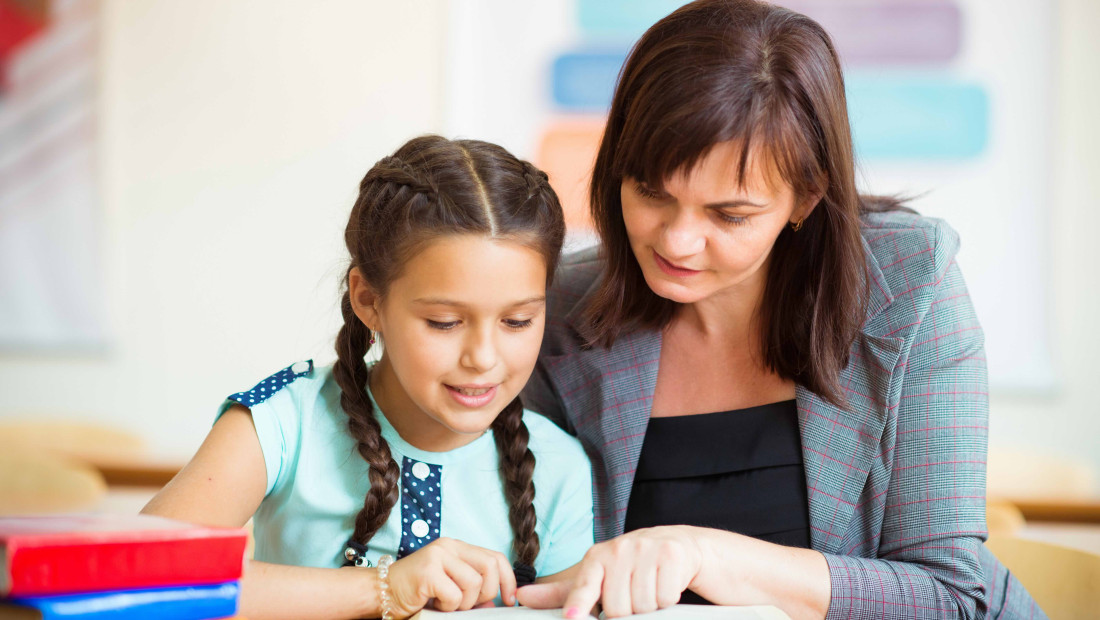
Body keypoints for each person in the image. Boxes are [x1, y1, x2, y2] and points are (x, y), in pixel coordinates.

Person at [517, 1, 1043, 619]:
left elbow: (950, 598)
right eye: (652, 192)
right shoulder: (559, 308)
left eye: (730, 215)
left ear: (806, 198)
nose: (677, 241)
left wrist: (703, 554)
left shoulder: (909, 286)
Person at [143, 135, 594, 620]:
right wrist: (382, 589)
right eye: (444, 322)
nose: (483, 358)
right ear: (368, 300)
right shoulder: (282, 421)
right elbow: (142, 574)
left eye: (518, 321)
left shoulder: (557, 464)